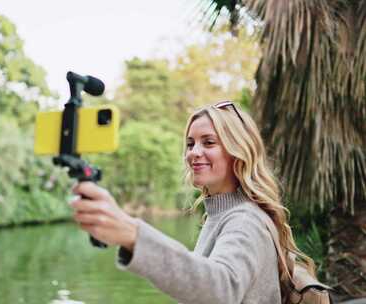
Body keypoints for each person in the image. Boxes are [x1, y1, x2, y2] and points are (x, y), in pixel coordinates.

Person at [70, 101, 318, 304]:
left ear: (238, 151)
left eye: (209, 142)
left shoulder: (245, 220)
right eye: (190, 144)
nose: (193, 152)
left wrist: (133, 235)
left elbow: (221, 289)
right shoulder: (220, 213)